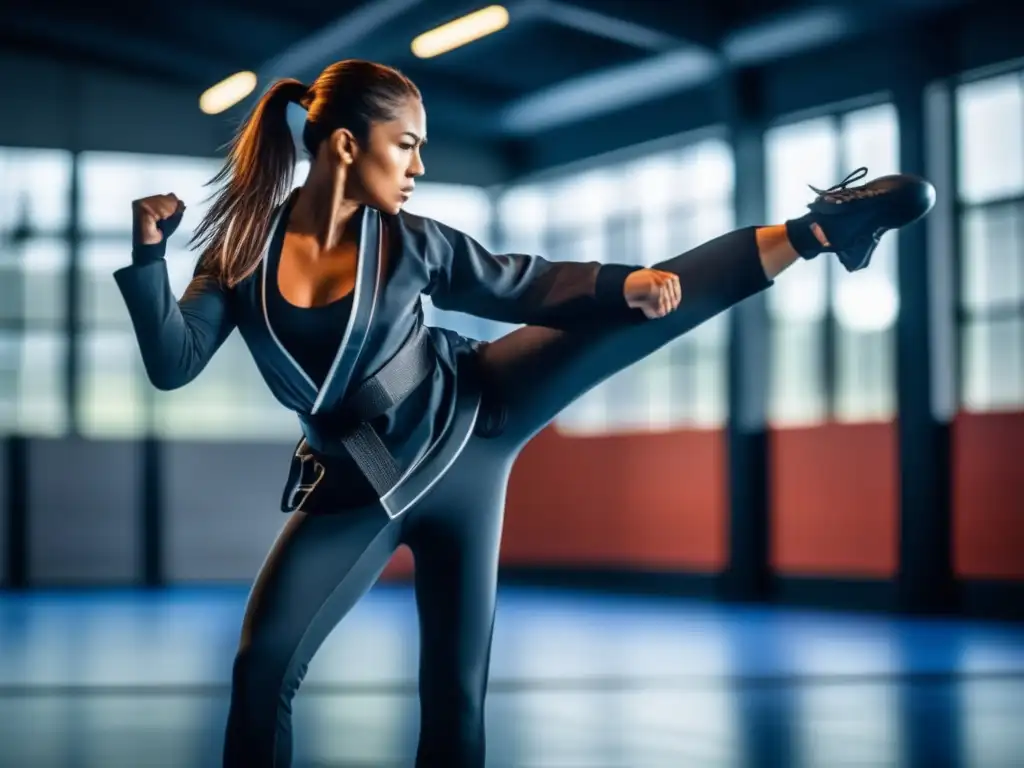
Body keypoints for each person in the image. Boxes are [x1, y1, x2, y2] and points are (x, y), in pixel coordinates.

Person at [115, 59, 935, 768]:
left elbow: (521, 283)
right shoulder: (239, 261)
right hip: (356, 485)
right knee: (262, 668)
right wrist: (150, 257)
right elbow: (174, 361)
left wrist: (621, 285)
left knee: (456, 699)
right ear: (344, 146)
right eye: (408, 145)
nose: (419, 167)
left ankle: (819, 230)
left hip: (481, 414)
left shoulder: (412, 242)